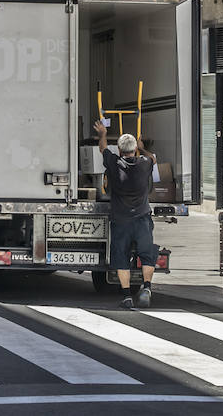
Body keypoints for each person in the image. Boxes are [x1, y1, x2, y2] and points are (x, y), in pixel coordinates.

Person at [94, 119, 158, 309]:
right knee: (147, 255)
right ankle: (146, 288)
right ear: (134, 150)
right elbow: (153, 158)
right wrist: (143, 148)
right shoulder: (144, 163)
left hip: (121, 220)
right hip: (142, 219)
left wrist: (103, 134)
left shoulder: (114, 164)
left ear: (120, 150)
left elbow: (102, 148)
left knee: (121, 257)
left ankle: (126, 296)